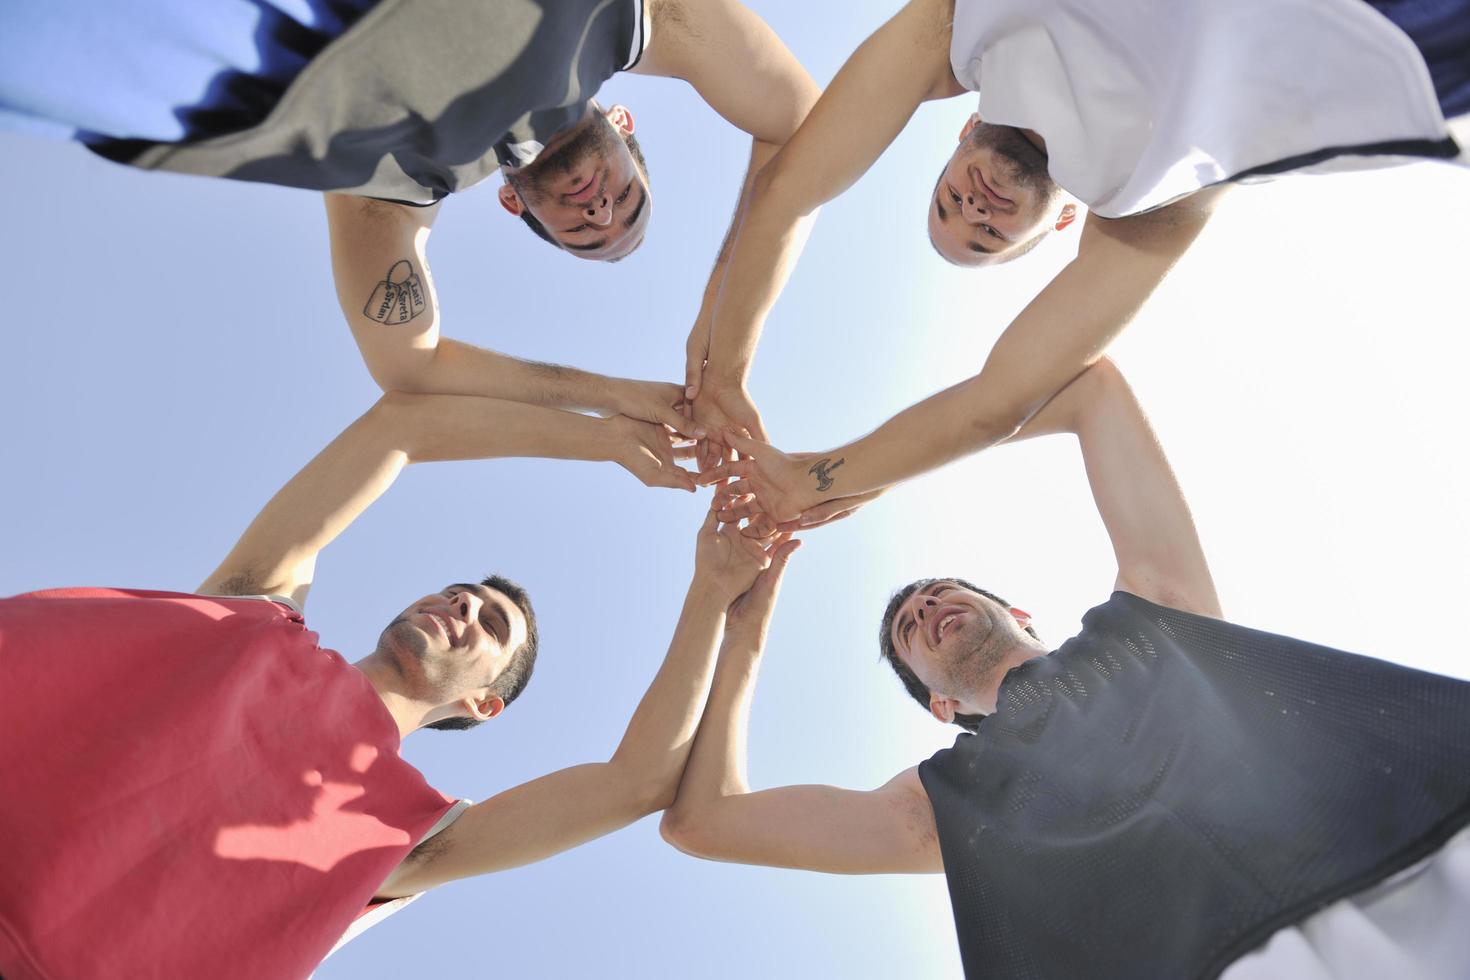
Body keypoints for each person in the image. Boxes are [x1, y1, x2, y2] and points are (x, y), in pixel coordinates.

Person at [663, 358, 1470, 978]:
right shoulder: (945, 802)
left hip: (1419, 851)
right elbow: (702, 821)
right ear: (940, 707)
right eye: (910, 631)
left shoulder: (1155, 616)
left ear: (1018, 615)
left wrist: (854, 473)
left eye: (941, 592)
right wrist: (748, 615)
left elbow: (1093, 387)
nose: (926, 609)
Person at [0, 392, 790, 980]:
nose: (465, 605)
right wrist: (606, 437)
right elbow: (399, 428)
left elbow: (638, 782)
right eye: (459, 593)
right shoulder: (254, 612)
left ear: (483, 703)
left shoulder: (408, 834)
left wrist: (712, 592)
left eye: (493, 625)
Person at [683, 0, 1470, 519]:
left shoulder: (958, 36)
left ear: (957, 138)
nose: (974, 206)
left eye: (947, 201)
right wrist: (821, 477)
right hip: (1377, 34)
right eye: (987, 235)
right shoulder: (1146, 200)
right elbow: (997, 402)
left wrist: (723, 370)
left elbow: (790, 191)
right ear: (1062, 228)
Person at [0, 0, 819, 430]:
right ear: (628, 128)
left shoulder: (400, 182)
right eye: (628, 200)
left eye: (583, 232)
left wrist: (620, 396)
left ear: (512, 202)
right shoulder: (632, 22)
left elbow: (411, 365)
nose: (601, 207)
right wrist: (722, 343)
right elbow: (798, 122)